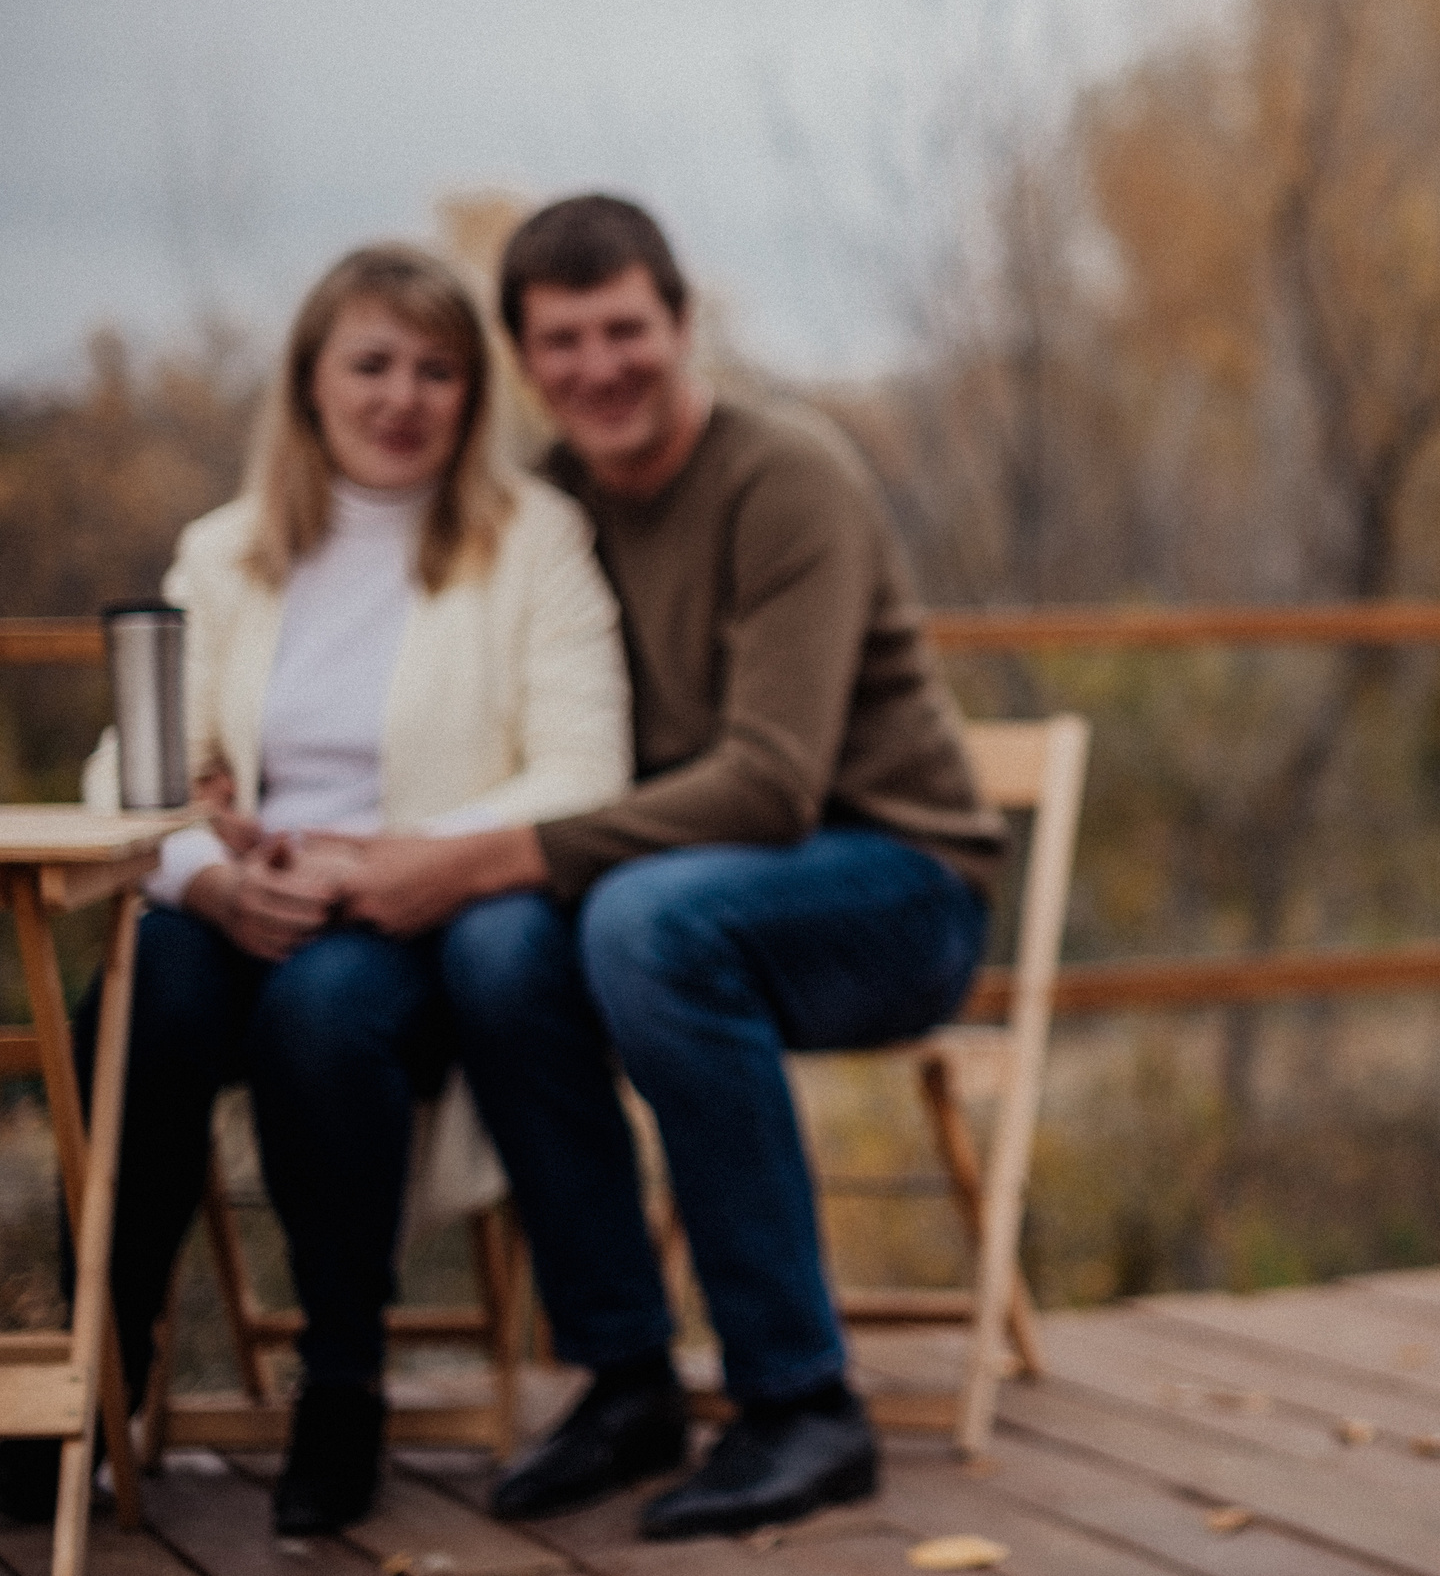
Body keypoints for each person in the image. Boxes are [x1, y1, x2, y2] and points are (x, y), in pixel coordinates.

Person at [328, 196, 1006, 1541]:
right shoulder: (545, 510)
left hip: (896, 885)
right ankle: (627, 1374)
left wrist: (483, 854)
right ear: (525, 359)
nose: (600, 365)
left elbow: (769, 783)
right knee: (498, 944)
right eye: (562, 339)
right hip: (675, 891)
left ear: (683, 324)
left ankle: (803, 1400)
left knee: (633, 920)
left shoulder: (784, 478)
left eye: (625, 328)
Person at [0, 245, 631, 1535]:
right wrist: (208, 875)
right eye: (372, 364)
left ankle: (343, 1379)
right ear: (310, 380)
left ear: (472, 394)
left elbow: (585, 769)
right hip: (239, 898)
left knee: (323, 1013)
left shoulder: (533, 541)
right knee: (148, 990)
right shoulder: (227, 550)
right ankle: (96, 1378)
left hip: (418, 918)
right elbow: (135, 761)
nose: (402, 396)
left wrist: (396, 859)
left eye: (437, 369)